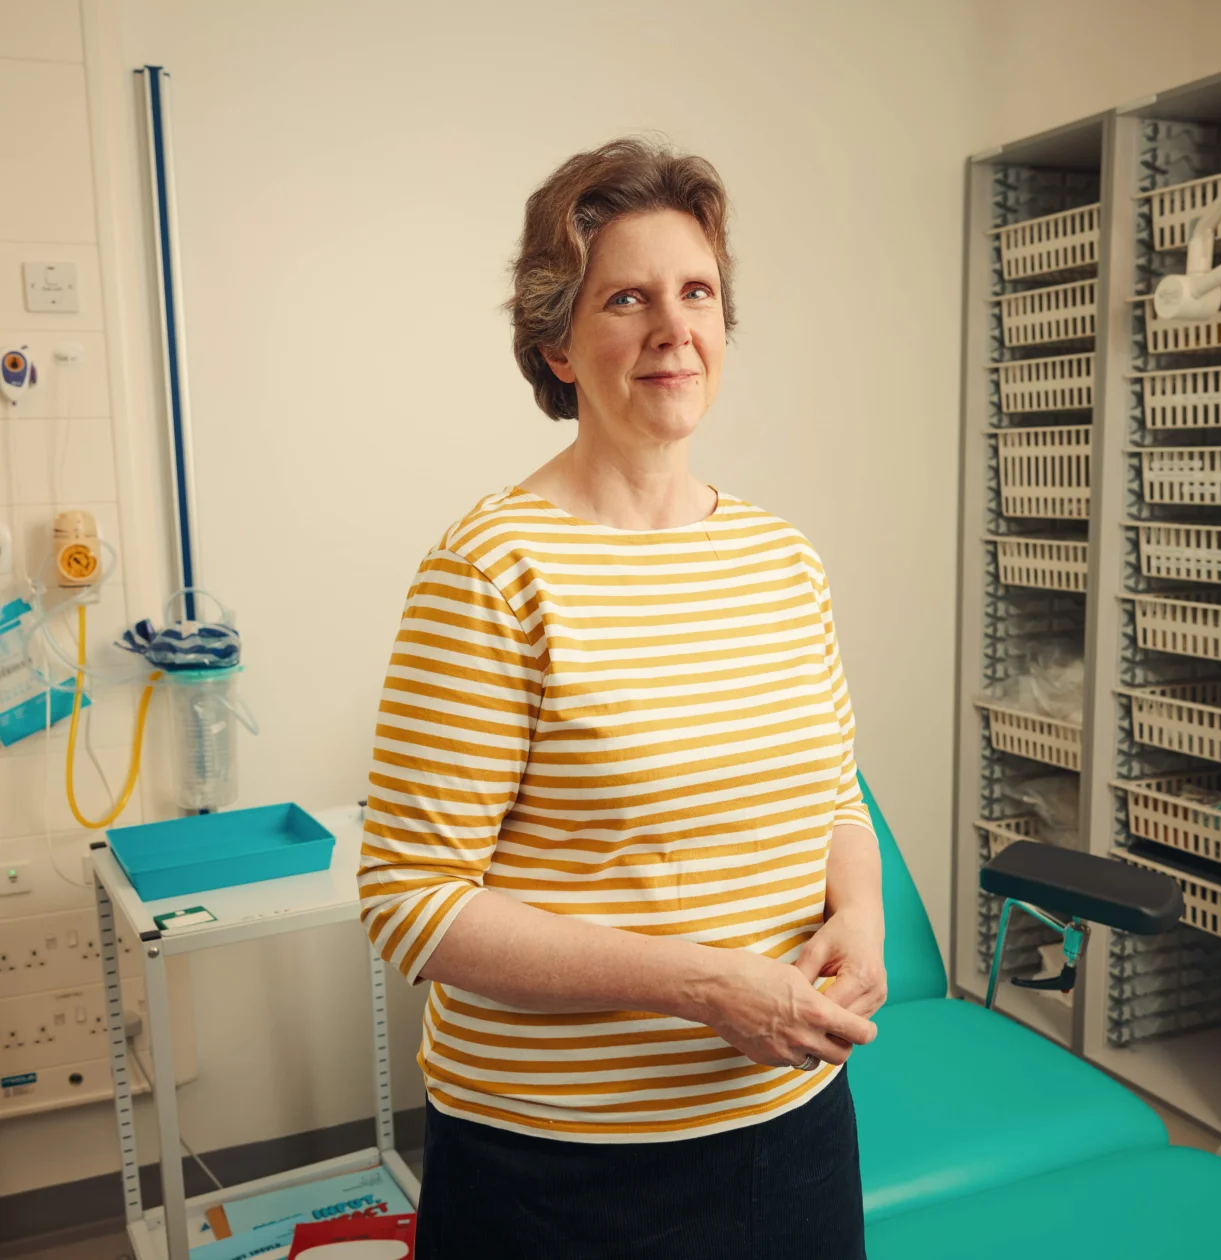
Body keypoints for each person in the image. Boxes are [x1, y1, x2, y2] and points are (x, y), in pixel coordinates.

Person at [358, 135, 886, 1259]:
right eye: (626, 298)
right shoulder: (494, 568)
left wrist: (862, 915)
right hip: (559, 1168)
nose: (672, 328)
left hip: (788, 1133)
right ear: (555, 345)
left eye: (697, 292)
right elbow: (411, 897)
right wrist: (707, 988)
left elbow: (836, 795)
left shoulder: (782, 559)